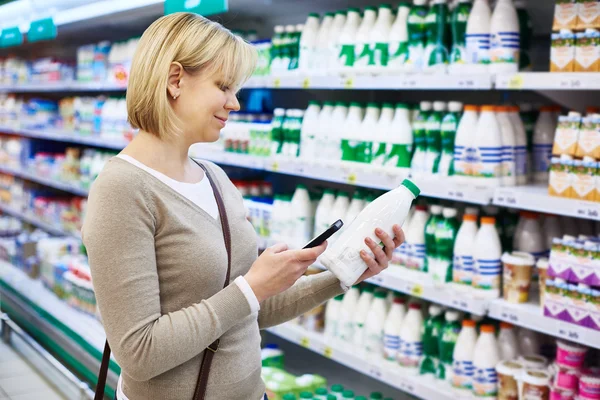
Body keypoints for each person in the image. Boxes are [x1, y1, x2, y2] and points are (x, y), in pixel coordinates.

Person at [82, 12, 404, 400]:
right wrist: (251, 286)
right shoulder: (122, 189)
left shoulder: (215, 178)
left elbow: (250, 311)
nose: (234, 103)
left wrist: (345, 274)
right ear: (175, 80)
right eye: (223, 86)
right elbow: (139, 352)